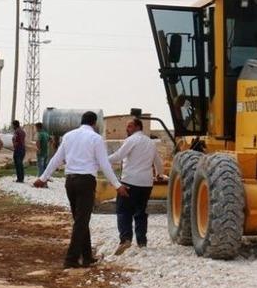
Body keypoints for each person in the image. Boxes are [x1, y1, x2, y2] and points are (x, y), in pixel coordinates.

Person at [34, 111, 129, 269]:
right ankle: (71, 259)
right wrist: (117, 186)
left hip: (70, 181)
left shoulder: (68, 136)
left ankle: (86, 257)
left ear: (82, 121)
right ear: (94, 123)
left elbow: (57, 158)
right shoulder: (96, 139)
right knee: (81, 221)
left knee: (80, 220)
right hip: (85, 181)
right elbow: (104, 164)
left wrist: (43, 178)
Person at [108, 118, 164, 254]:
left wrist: (102, 160)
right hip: (146, 183)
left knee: (123, 211)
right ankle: (142, 242)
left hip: (130, 181)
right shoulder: (150, 142)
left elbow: (119, 156)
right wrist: (159, 174)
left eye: (130, 126)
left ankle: (126, 238)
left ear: (138, 127)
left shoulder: (131, 140)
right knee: (140, 211)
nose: (127, 128)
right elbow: (158, 162)